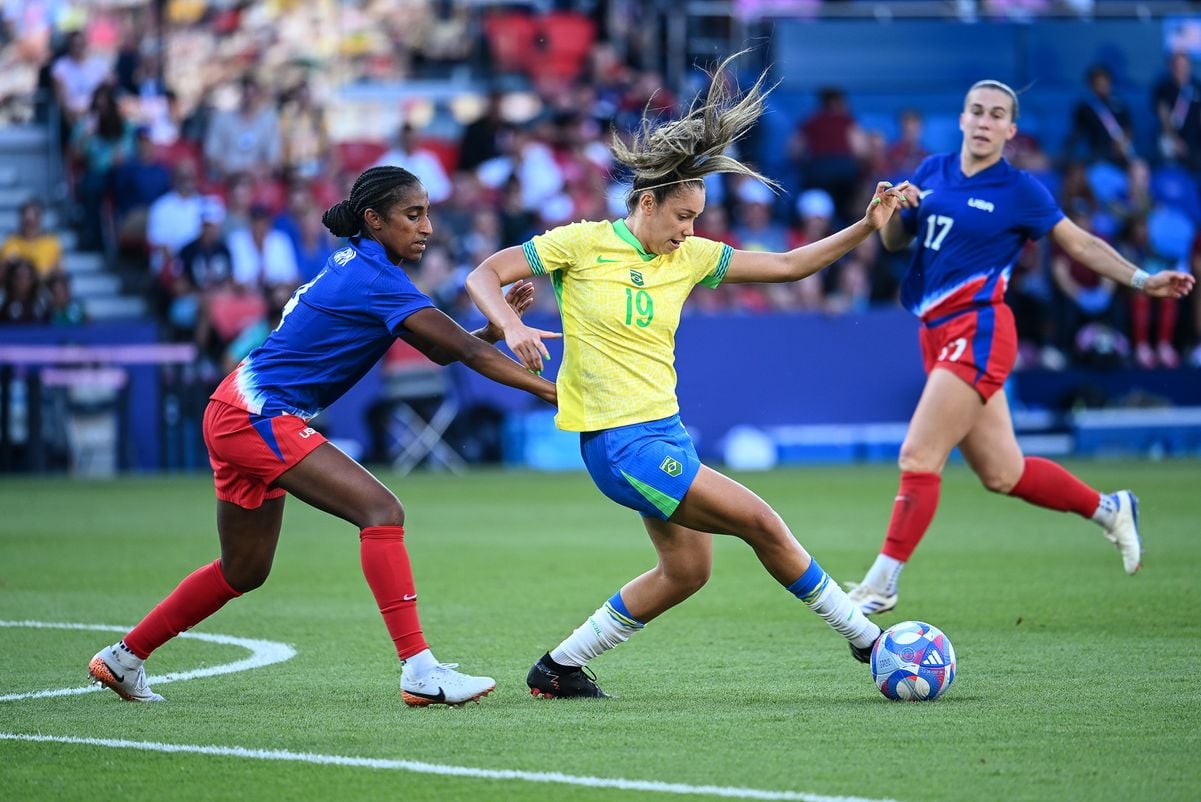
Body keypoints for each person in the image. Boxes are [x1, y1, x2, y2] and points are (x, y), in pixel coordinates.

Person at [465, 54, 908, 699]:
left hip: (666, 434)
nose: (689, 230)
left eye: (696, 218)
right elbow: (483, 275)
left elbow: (787, 267)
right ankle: (867, 642)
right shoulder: (582, 244)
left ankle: (557, 668)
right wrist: (510, 324)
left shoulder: (690, 256)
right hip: (620, 442)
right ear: (647, 202)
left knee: (686, 570)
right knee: (761, 522)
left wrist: (865, 227)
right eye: (681, 217)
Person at [88, 166, 560, 706]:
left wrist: (492, 332)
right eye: (413, 215)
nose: (427, 226)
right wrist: (553, 393)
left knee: (244, 570)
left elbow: (442, 347)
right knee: (382, 512)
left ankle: (125, 658)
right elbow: (465, 353)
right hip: (257, 416)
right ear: (373, 219)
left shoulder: (362, 266)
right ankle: (420, 670)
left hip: (235, 410)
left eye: (427, 212)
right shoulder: (377, 279)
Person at [845, 81, 1196, 616]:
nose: (985, 122)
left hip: (981, 329)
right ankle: (1111, 509)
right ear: (962, 120)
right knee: (1003, 473)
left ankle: (881, 583)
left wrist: (1143, 279)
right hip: (935, 332)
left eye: (997, 115)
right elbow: (897, 241)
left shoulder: (1021, 191)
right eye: (977, 112)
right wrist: (888, 212)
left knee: (919, 454)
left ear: (1010, 130)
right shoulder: (933, 171)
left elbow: (1079, 243)